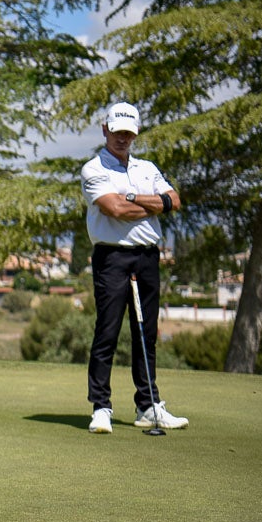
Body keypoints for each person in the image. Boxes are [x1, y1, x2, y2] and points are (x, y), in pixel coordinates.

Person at [80, 102, 188, 434]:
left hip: (146, 258)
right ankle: (101, 407)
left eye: (128, 132)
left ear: (135, 134)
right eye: (117, 131)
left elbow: (174, 200)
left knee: (146, 333)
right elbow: (114, 210)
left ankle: (148, 406)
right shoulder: (93, 169)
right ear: (105, 129)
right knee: (107, 332)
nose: (123, 138)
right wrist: (153, 204)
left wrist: (132, 198)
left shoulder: (147, 168)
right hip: (112, 258)